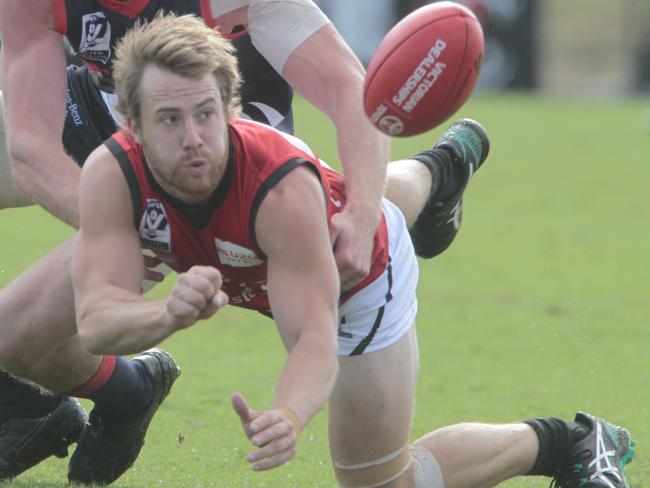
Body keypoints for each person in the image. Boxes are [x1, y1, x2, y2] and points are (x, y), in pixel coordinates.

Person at [70, 14, 635, 487]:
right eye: (169, 119)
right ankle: (439, 171)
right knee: (346, 202)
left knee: (378, 481)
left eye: (205, 114)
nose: (192, 138)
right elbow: (96, 321)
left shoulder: (278, 188)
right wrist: (165, 313)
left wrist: (290, 414)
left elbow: (315, 339)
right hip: (310, 233)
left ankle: (570, 442)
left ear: (231, 111)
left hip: (356, 281)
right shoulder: (111, 174)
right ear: (133, 127)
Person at [0, 0, 473, 479]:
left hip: (219, 139)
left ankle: (431, 174)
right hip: (113, 116)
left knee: (332, 219)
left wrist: (361, 212)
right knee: (15, 338)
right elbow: (30, 148)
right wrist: (122, 221)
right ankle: (123, 390)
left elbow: (345, 85)